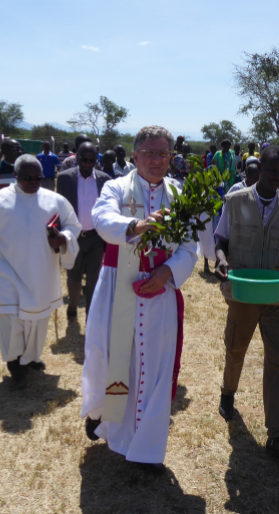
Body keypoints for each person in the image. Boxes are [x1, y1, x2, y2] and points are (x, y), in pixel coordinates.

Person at [80, 126, 198, 473]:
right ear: (134, 156)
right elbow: (101, 220)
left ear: (171, 157)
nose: (156, 159)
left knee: (156, 367)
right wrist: (138, 226)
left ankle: (146, 449)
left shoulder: (180, 193)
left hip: (159, 291)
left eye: (163, 153)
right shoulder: (116, 187)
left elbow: (191, 246)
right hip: (119, 286)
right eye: (149, 152)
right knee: (108, 355)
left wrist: (166, 274)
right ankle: (103, 415)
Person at [213, 146, 279, 460]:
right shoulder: (235, 202)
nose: (278, 177)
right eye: (272, 171)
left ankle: (276, 435)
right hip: (243, 292)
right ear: (258, 168)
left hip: (275, 294)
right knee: (236, 348)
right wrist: (221, 261)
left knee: (276, 358)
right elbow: (221, 240)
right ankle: (228, 393)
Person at [0, 154, 81, 389]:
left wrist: (63, 238)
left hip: (42, 273)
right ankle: (15, 366)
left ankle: (30, 358)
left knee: (38, 321)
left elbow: (73, 225)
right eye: (28, 177)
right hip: (7, 273)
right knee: (12, 322)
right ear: (15, 176)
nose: (35, 181)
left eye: (39, 177)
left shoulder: (54, 200)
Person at [57, 142, 111, 320]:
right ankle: (72, 305)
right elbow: (60, 208)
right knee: (74, 276)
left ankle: (90, 315)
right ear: (77, 157)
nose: (87, 164)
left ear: (96, 160)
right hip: (74, 237)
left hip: (96, 237)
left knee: (94, 278)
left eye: (92, 160)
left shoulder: (105, 180)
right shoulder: (65, 178)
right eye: (84, 159)